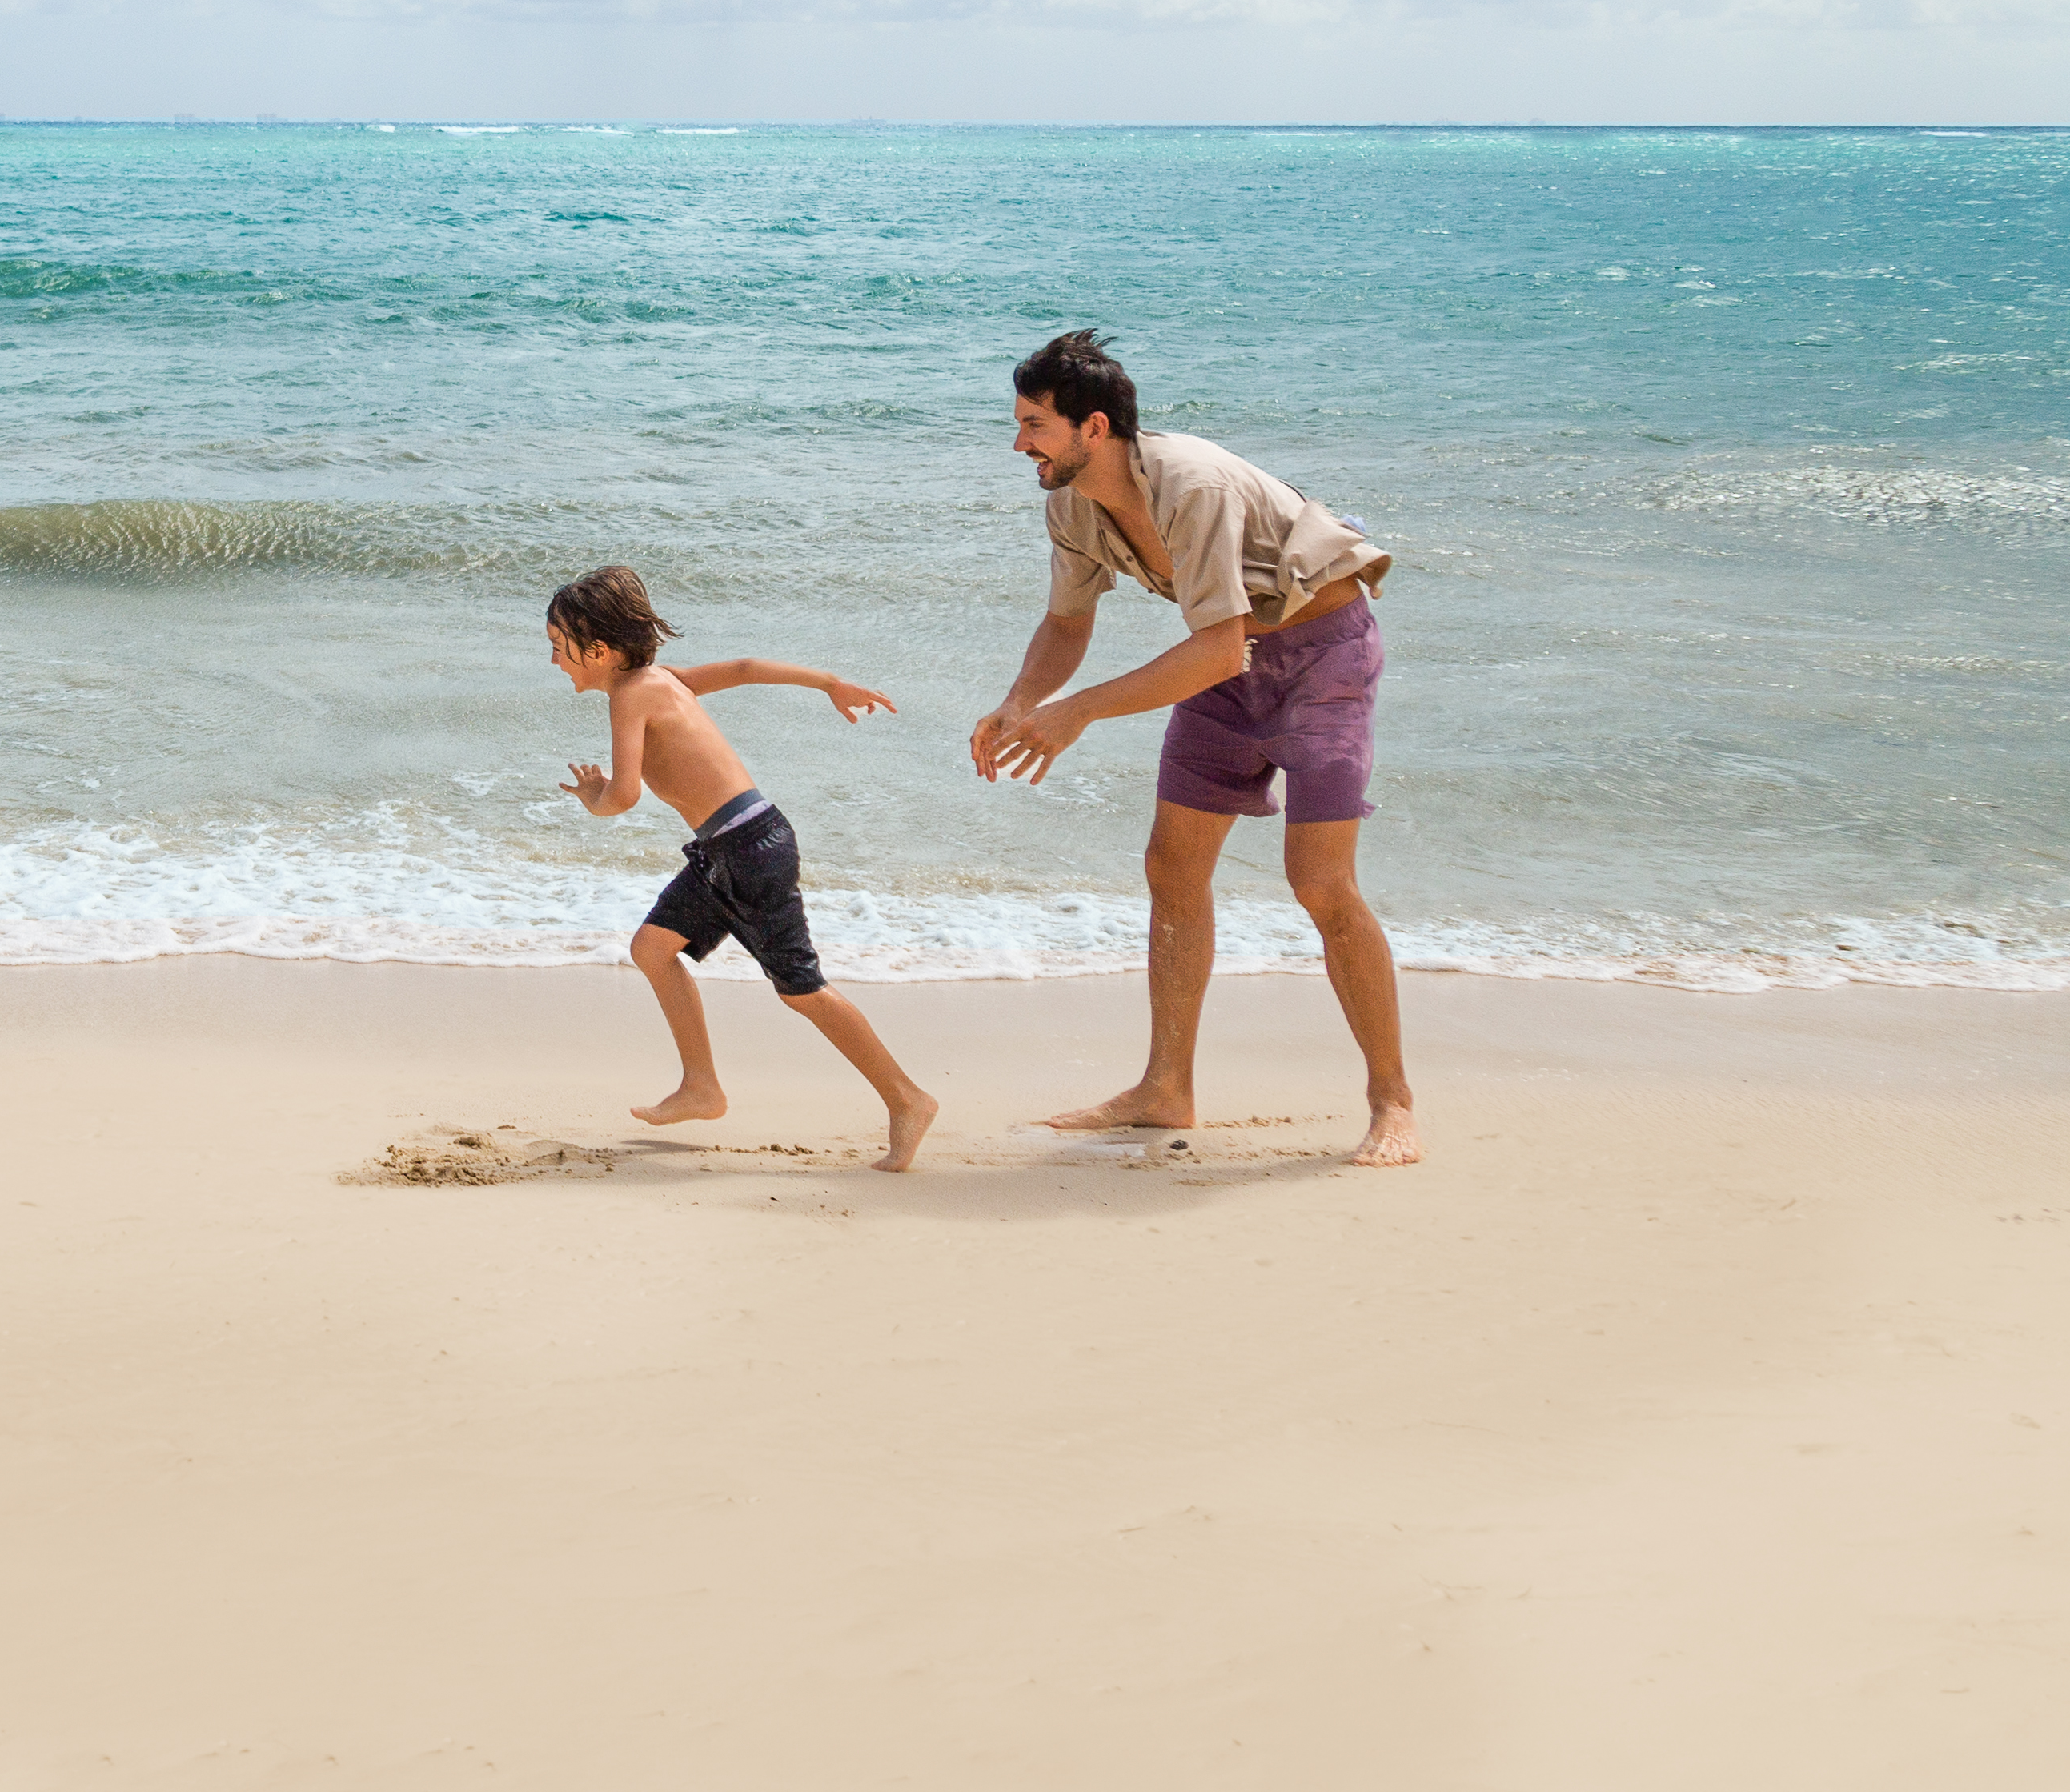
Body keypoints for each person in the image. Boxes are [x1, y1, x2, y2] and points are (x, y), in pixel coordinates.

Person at [966, 331, 1420, 1166]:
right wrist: (1020, 702)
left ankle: (1392, 1101)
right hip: (1225, 660)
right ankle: (1165, 1087)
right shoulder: (1071, 502)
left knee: (1320, 885)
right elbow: (1070, 621)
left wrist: (1080, 714)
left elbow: (1216, 646)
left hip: (1324, 658)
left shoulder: (1194, 483)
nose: (1019, 442)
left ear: (1092, 428)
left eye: (1034, 424)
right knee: (1172, 869)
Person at [549, 565, 938, 1173]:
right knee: (652, 948)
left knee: (803, 990)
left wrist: (593, 797)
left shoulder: (632, 696)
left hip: (748, 852)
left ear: (597, 651)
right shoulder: (664, 679)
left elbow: (624, 797)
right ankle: (701, 1087)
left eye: (558, 648)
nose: (554, 662)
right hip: (731, 847)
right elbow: (748, 668)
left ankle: (906, 1098)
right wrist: (830, 682)